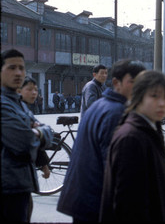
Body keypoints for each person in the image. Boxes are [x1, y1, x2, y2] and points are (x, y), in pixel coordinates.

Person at [57, 59, 146, 223]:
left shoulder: (105, 105)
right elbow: (114, 166)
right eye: (132, 82)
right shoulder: (115, 112)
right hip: (96, 202)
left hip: (84, 198)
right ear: (116, 83)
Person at [99, 70, 165, 222]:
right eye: (154, 96)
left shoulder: (150, 129)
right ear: (138, 97)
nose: (162, 103)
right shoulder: (131, 138)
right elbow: (128, 205)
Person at [1, 49, 53, 222]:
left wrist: (38, 131)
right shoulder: (4, 104)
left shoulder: (18, 104)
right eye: (12, 68)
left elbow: (49, 133)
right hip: (8, 187)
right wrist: (39, 132)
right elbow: (24, 142)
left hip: (20, 185)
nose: (18, 73)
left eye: (22, 68)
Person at [18, 76, 53, 221]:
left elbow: (37, 139)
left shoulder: (24, 108)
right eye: (30, 89)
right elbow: (31, 138)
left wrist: (44, 165)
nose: (34, 93)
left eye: (36, 90)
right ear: (19, 91)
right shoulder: (15, 108)